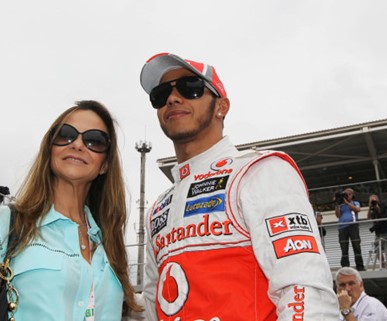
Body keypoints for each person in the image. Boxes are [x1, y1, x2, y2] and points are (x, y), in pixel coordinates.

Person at [139, 52, 338, 320]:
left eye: (191, 88)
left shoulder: (258, 171)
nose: (173, 98)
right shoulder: (158, 208)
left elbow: (306, 290)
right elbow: (152, 306)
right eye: (161, 94)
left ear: (222, 107)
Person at [0, 100, 141, 320]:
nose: (78, 145)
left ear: (105, 164)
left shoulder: (110, 248)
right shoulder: (1, 226)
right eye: (66, 135)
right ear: (50, 149)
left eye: (95, 141)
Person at [335, 188, 365, 271]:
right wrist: (337, 204)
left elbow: (357, 209)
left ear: (352, 195)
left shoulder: (355, 203)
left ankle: (360, 266)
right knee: (344, 248)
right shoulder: (341, 205)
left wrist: (347, 203)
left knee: (356, 246)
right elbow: (338, 215)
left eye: (348, 194)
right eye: (345, 194)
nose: (347, 195)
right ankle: (345, 267)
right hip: (342, 227)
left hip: (353, 226)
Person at [367, 194, 387, 269]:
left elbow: (381, 214)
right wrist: (370, 207)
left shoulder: (381, 206)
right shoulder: (372, 209)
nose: (373, 202)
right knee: (377, 249)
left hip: (384, 231)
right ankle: (382, 264)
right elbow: (368, 217)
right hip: (377, 232)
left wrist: (377, 206)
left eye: (374, 200)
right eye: (371, 200)